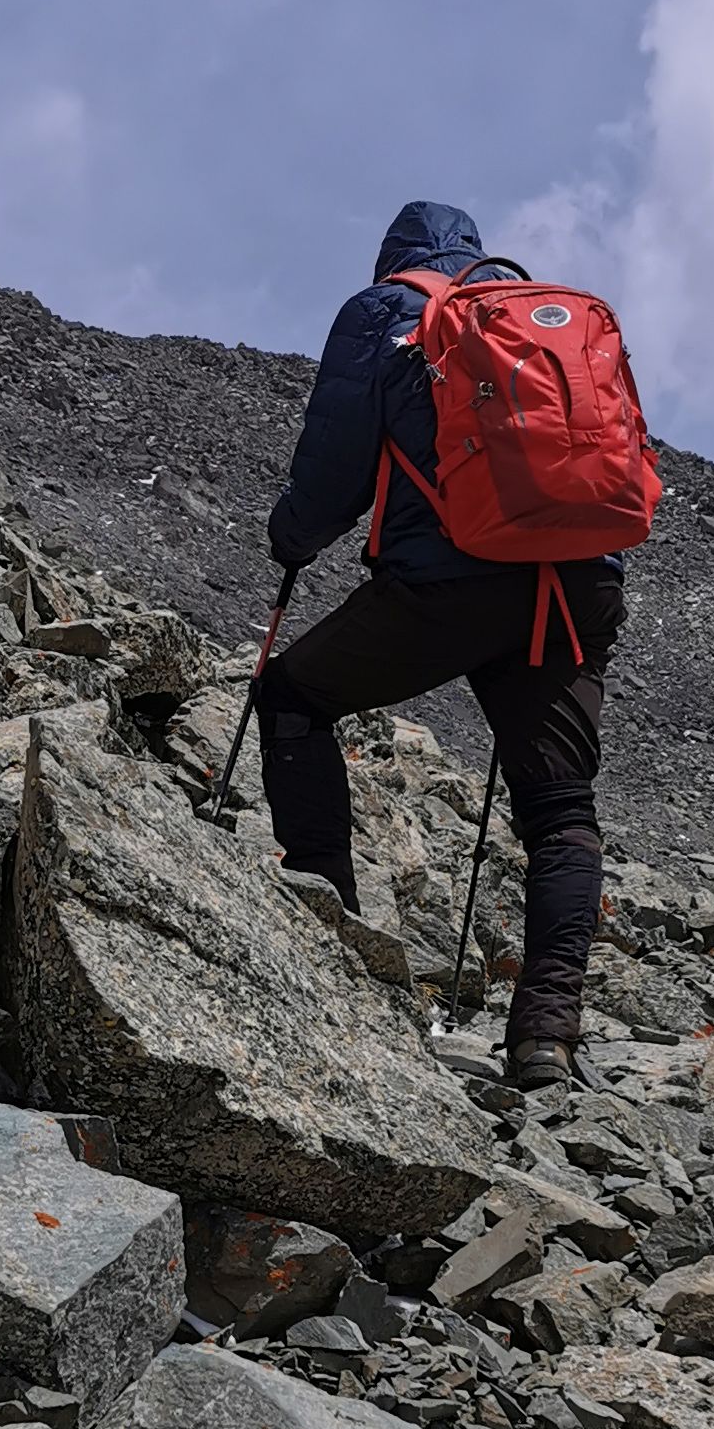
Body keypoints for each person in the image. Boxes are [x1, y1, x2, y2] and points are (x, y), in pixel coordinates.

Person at [256, 198, 628, 1091]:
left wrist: (291, 540)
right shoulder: (549, 317)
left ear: (393, 259)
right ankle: (545, 1039)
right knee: (560, 810)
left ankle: (333, 948)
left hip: (453, 583)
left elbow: (335, 467)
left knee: (292, 697)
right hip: (575, 583)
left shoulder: (386, 311)